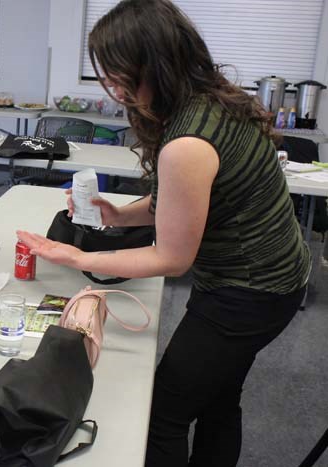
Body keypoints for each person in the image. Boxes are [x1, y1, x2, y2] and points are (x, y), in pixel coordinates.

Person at [17, 1, 310, 466]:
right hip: (274, 277)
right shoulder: (210, 102)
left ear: (153, 63)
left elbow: (172, 259)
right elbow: (181, 202)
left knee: (162, 416)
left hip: (250, 290)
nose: (113, 90)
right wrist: (117, 216)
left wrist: (77, 259)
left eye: (118, 76)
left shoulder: (187, 143)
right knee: (218, 399)